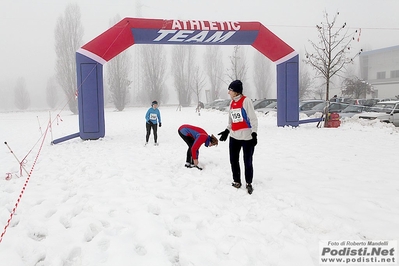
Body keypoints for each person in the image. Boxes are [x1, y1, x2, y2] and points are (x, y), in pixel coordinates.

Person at [218, 80, 258, 194]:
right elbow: (231, 120)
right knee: (233, 160)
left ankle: (249, 183)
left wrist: (254, 134)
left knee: (248, 161)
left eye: (230, 90)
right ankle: (237, 181)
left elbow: (253, 119)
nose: (228, 92)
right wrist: (227, 130)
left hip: (247, 137)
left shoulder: (246, 101)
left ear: (236, 91)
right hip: (234, 137)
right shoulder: (231, 103)